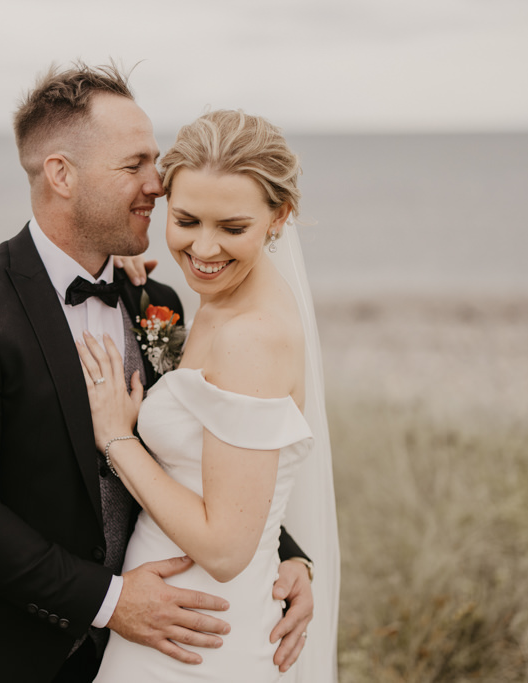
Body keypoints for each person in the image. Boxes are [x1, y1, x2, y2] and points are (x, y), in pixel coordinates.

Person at [0, 63, 317, 683]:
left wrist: (287, 555)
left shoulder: (154, 297)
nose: (158, 184)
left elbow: (208, 450)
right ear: (61, 173)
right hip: (2, 652)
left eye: (156, 161)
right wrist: (112, 603)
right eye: (135, 164)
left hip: (150, 652)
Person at [78, 110, 340, 682]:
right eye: (187, 219)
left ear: (280, 217)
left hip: (202, 638)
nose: (203, 247)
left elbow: (224, 550)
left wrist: (118, 439)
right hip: (173, 619)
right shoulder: (218, 300)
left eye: (232, 228)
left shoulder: (251, 337)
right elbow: (226, 466)